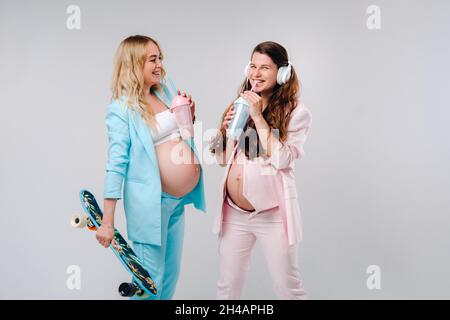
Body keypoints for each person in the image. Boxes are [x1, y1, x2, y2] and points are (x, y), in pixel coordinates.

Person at [96, 35, 206, 300]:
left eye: (160, 58)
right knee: (149, 283)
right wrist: (107, 222)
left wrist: (190, 112)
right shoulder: (120, 109)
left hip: (177, 201)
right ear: (134, 64)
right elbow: (116, 164)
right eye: (152, 59)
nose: (160, 65)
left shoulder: (165, 90)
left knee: (169, 276)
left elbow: (179, 132)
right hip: (150, 205)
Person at [210, 41, 312, 299]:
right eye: (253, 66)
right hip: (234, 213)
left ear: (282, 73)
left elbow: (283, 159)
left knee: (288, 288)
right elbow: (223, 160)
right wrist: (224, 132)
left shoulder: (297, 112)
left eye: (264, 68)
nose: (256, 73)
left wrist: (257, 117)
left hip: (272, 215)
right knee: (227, 286)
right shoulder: (241, 103)